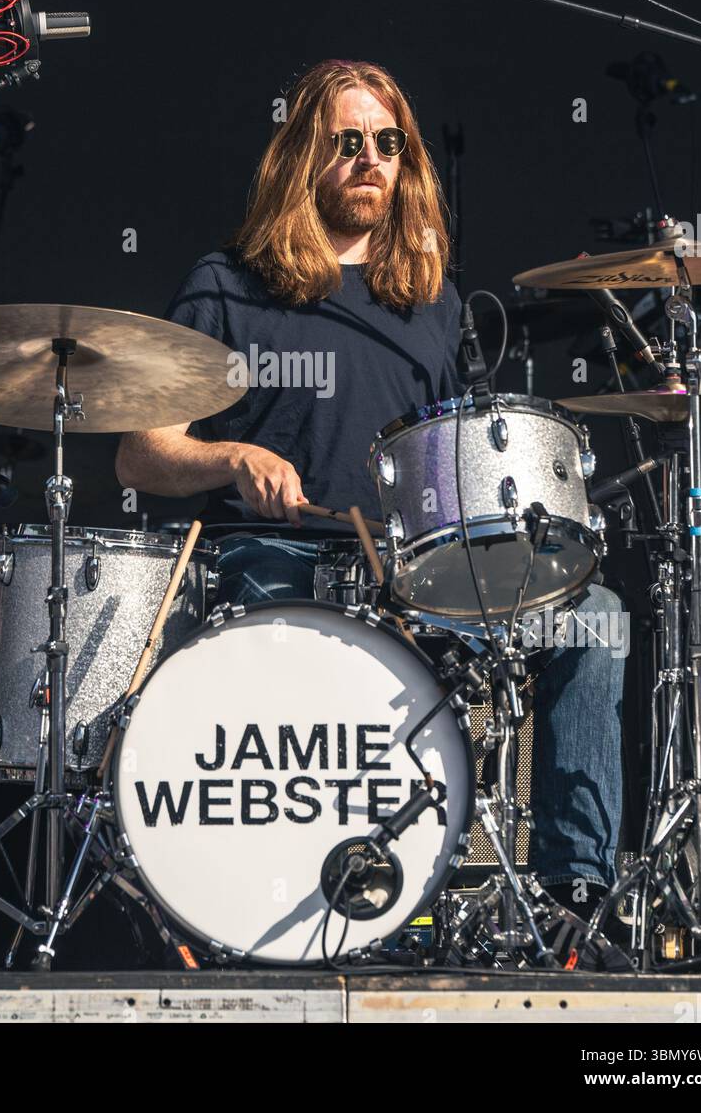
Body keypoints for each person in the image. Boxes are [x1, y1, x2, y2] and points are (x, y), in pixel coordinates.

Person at [117, 58, 625, 914]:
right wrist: (231, 458)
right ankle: (264, 888)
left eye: (388, 144)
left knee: (593, 617)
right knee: (278, 624)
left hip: (409, 578)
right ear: (300, 155)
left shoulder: (431, 303)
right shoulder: (226, 284)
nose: (369, 160)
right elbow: (140, 454)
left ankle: (573, 891)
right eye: (346, 141)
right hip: (269, 559)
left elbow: (456, 469)